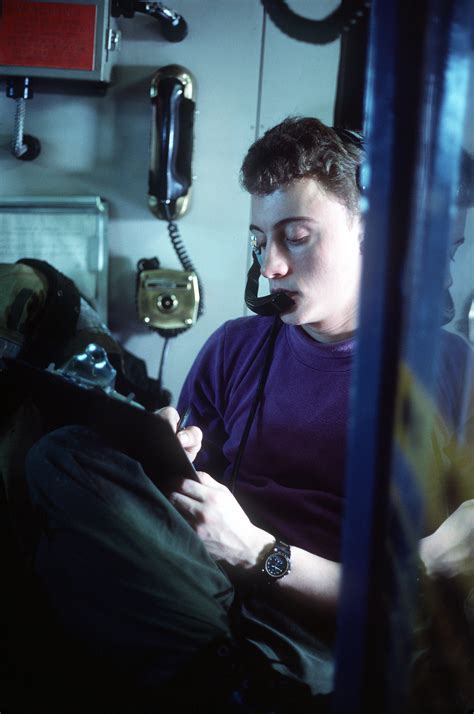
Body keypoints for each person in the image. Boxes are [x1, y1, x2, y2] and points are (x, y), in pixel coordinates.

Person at [24, 118, 473, 712]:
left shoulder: (450, 370)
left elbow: (432, 579)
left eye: (298, 236)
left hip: (335, 629)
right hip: (211, 590)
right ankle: (231, 673)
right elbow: (185, 497)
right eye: (262, 239)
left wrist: (262, 553)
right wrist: (171, 459)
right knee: (63, 456)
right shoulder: (237, 346)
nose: (271, 267)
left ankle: (234, 673)